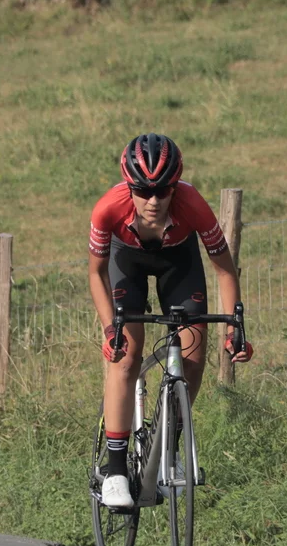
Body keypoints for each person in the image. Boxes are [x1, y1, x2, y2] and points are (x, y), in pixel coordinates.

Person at [88, 133, 253, 508]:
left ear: (175, 186)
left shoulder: (193, 205)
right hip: (125, 263)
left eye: (163, 191)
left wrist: (234, 329)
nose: (154, 201)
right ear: (129, 187)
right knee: (126, 356)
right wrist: (110, 328)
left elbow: (225, 270)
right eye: (143, 191)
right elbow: (96, 274)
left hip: (179, 262)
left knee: (192, 359)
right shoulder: (108, 208)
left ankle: (168, 449)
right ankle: (116, 471)